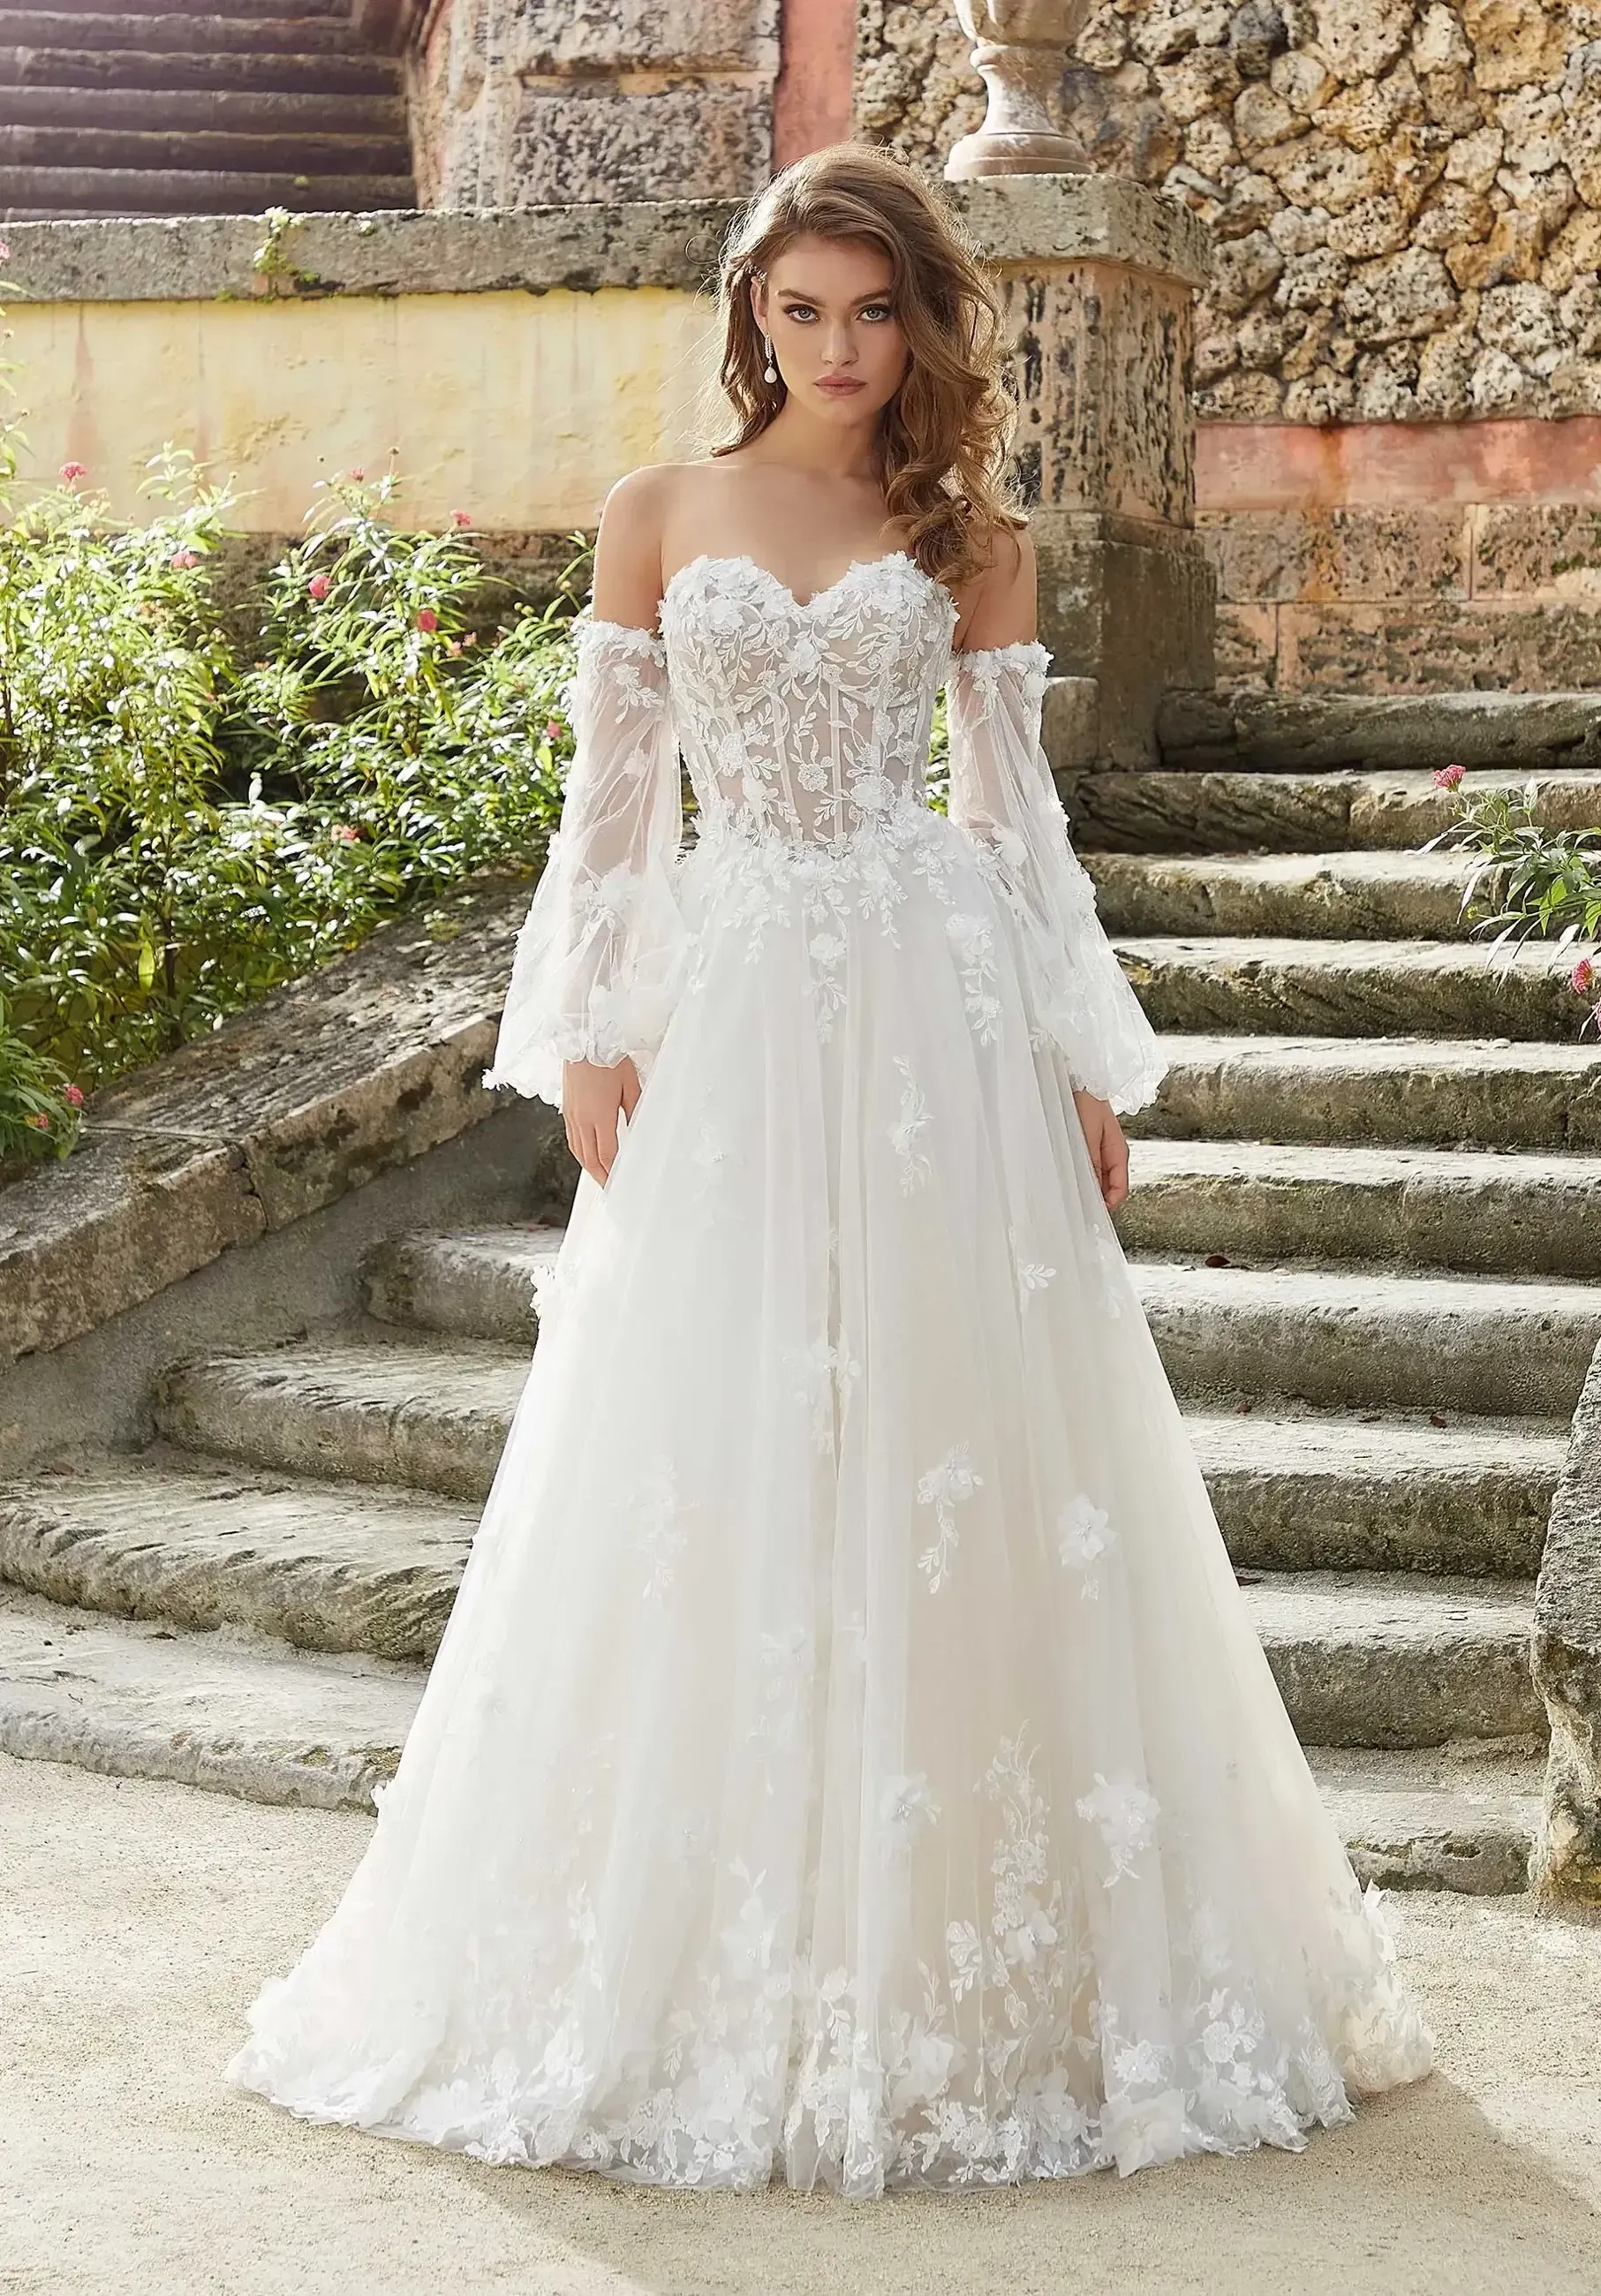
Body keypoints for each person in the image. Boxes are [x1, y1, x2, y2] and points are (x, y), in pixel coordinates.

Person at [226, 144, 1434, 2194]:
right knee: (703, 1438)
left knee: (956, 1442)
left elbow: (1014, 821)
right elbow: (608, 815)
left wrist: (1079, 1054)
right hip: (737, 1014)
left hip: (932, 1009)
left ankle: (989, 1966)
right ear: (749, 318)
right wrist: (590, 1030)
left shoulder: (971, 532)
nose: (841, 349)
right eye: (803, 312)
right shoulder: (658, 513)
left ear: (923, 320)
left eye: (874, 313)